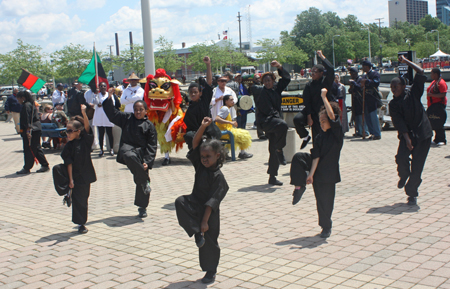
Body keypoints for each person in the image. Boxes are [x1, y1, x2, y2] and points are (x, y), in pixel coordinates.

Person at [175, 117, 228, 285]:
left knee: (210, 241)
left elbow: (212, 201)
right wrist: (203, 126)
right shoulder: (200, 165)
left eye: (208, 156)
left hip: (210, 213)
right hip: (195, 203)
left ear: (217, 155)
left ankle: (210, 271)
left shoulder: (219, 178)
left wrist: (205, 221)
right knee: (180, 202)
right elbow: (195, 144)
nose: (204, 159)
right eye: (202, 156)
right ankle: (197, 232)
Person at [290, 88, 343, 238]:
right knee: (299, 157)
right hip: (318, 171)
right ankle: (299, 187)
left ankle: (326, 227)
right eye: (320, 121)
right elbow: (316, 156)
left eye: (324, 121)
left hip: (329, 174)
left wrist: (324, 96)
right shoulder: (319, 137)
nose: (321, 123)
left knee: (325, 203)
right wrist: (310, 175)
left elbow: (332, 116)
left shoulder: (337, 135)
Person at [103, 89, 157, 218]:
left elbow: (152, 146)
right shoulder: (126, 118)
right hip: (127, 149)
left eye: (140, 110)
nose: (138, 112)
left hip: (141, 154)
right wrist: (110, 97)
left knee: (142, 178)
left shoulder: (149, 126)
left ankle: (142, 207)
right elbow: (112, 114)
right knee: (129, 155)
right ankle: (144, 181)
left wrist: (147, 162)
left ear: (145, 111)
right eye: (136, 109)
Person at [389, 55, 432, 206]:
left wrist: (406, 61)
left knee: (417, 167)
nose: (394, 89)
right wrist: (407, 140)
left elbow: (421, 72)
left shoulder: (414, 93)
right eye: (392, 87)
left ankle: (412, 193)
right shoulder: (393, 104)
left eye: (396, 87)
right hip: (407, 134)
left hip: (423, 134)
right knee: (401, 158)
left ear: (403, 86)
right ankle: (403, 174)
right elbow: (399, 123)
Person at [52, 104, 96, 234]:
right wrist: (70, 180)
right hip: (74, 176)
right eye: (66, 131)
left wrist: (84, 114)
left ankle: (82, 222)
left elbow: (88, 127)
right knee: (57, 169)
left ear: (78, 131)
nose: (68, 134)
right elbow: (68, 163)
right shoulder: (69, 146)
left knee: (83, 199)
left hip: (85, 175)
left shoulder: (86, 141)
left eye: (70, 131)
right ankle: (80, 222)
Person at [256, 60, 290, 185]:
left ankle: (272, 177)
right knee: (283, 125)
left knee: (272, 149)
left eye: (269, 80)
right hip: (267, 122)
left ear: (273, 81)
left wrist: (280, 66)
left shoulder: (276, 89)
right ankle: (280, 150)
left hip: (276, 121)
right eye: (265, 81)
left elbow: (286, 79)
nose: (267, 83)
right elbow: (267, 111)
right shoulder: (261, 93)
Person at [294, 50, 335, 149]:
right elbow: (306, 101)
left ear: (321, 73)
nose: (312, 73)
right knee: (297, 119)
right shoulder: (309, 85)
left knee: (320, 137)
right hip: (311, 111)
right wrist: (308, 116)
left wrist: (321, 56)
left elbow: (331, 69)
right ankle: (305, 136)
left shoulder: (326, 82)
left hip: (322, 112)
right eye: (311, 71)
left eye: (315, 72)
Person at [183, 56, 222, 150]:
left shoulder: (204, 101)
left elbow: (208, 82)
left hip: (209, 129)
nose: (193, 94)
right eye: (191, 92)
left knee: (214, 135)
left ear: (200, 93)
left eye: (195, 92)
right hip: (196, 133)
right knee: (188, 136)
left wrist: (208, 64)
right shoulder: (189, 109)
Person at [15, 90, 50, 175]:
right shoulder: (31, 104)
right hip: (35, 128)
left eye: (18, 99)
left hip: (31, 130)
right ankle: (45, 164)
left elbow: (27, 119)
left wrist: (27, 130)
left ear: (22, 98)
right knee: (36, 148)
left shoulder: (26, 105)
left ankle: (27, 167)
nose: (18, 101)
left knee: (29, 149)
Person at [215, 94, 253, 159]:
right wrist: (230, 122)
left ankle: (226, 153)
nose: (233, 101)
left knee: (239, 133)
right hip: (223, 132)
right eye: (231, 100)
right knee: (244, 134)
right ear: (226, 101)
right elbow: (217, 119)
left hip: (226, 130)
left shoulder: (227, 108)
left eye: (233, 100)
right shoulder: (225, 109)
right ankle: (242, 153)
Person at [93, 82, 116, 157]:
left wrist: (104, 104)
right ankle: (101, 150)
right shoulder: (97, 95)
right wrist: (96, 94)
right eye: (101, 86)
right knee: (101, 134)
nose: (103, 87)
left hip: (107, 117)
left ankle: (111, 149)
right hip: (100, 117)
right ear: (99, 87)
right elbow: (94, 102)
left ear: (106, 87)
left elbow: (113, 103)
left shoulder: (109, 95)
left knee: (109, 134)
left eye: (104, 86)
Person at [360, 60, 382, 140]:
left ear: (367, 67)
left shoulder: (374, 74)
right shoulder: (364, 75)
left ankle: (377, 133)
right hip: (365, 98)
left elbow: (376, 82)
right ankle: (372, 133)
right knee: (367, 117)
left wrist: (367, 81)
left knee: (373, 116)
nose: (363, 68)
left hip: (372, 98)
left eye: (364, 66)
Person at [426, 67, 447, 145]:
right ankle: (436, 139)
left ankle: (442, 139)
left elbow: (443, 94)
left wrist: (431, 95)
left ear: (436, 74)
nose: (431, 75)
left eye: (432, 73)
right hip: (432, 106)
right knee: (433, 122)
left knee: (439, 122)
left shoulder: (441, 83)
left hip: (438, 106)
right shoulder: (434, 82)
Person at [348, 67, 369, 137]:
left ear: (355, 73)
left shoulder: (360, 79)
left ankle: (364, 131)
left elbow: (360, 88)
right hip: (355, 101)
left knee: (361, 116)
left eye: (352, 74)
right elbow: (350, 91)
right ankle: (358, 131)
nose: (351, 75)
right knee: (356, 116)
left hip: (360, 101)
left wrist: (353, 83)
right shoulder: (353, 80)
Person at [248, 73, 267, 139]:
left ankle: (267, 132)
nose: (258, 79)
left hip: (266, 105)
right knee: (259, 120)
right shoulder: (254, 86)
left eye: (259, 78)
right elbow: (263, 88)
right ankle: (260, 134)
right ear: (253, 80)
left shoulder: (262, 85)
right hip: (258, 105)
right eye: (256, 78)